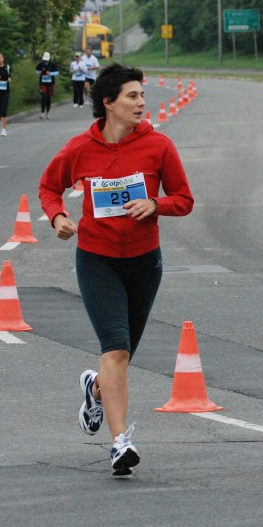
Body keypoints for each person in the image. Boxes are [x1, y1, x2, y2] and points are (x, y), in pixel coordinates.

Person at [38, 64, 194, 478]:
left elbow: (184, 198)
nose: (142, 102)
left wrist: (156, 204)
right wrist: (57, 218)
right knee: (117, 350)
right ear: (108, 103)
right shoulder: (79, 149)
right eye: (132, 96)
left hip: (145, 261)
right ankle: (120, 443)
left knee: (122, 358)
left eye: (142, 95)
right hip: (97, 258)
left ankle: (94, 388)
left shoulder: (158, 146)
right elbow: (49, 188)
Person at [35, 51, 61, 119]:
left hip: (50, 83)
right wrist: (39, 72)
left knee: (48, 97)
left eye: (46, 60)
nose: (45, 61)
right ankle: (42, 112)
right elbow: (36, 71)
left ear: (49, 59)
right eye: (44, 60)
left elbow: (57, 72)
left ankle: (47, 112)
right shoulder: (40, 64)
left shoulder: (52, 65)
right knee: (43, 96)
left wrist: (50, 73)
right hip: (42, 82)